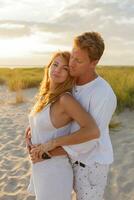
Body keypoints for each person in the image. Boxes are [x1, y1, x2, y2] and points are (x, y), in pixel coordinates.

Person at [27, 32, 117, 200]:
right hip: (67, 161)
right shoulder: (71, 82)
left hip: (90, 164)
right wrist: (34, 128)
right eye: (72, 56)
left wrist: (48, 150)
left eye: (78, 60)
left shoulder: (103, 94)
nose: (72, 63)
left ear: (94, 63)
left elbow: (90, 139)